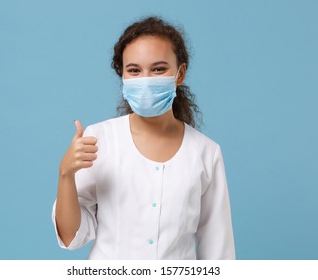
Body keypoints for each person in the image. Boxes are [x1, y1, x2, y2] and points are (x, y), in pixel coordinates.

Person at [52, 16, 235, 260]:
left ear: (180, 74)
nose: (146, 80)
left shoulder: (206, 153)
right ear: (123, 77)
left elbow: (218, 250)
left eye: (158, 69)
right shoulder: (98, 139)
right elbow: (71, 236)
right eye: (134, 70)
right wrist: (66, 174)